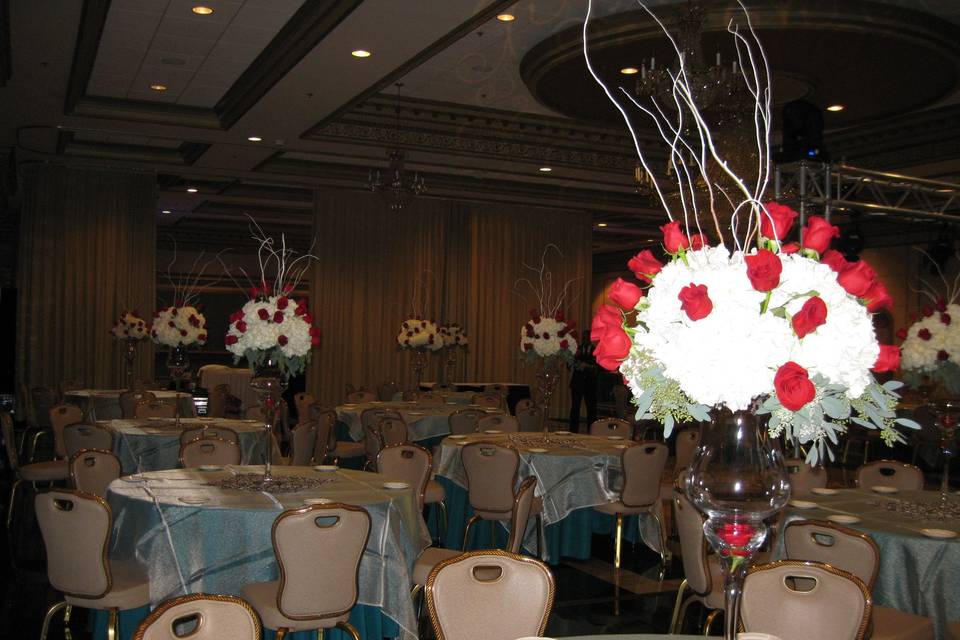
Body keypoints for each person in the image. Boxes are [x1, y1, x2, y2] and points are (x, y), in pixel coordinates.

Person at [569, 330, 598, 432]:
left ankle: (592, 431)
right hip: (577, 383)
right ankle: (573, 431)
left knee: (591, 409)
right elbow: (568, 365)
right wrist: (574, 361)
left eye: (587, 337)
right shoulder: (576, 349)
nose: (585, 339)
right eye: (583, 337)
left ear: (591, 338)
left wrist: (588, 367)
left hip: (590, 384)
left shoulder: (596, 350)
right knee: (574, 408)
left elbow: (599, 368)